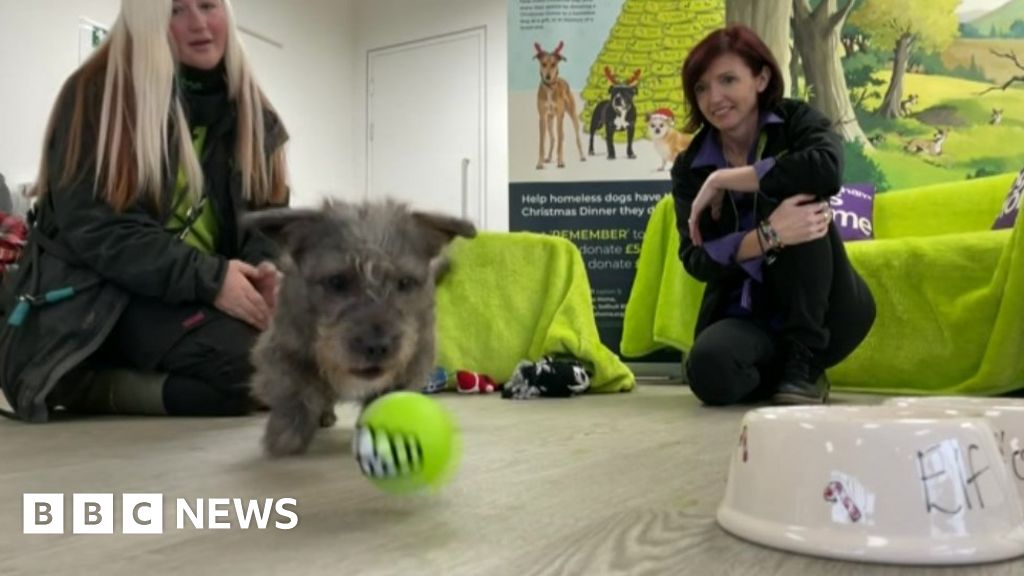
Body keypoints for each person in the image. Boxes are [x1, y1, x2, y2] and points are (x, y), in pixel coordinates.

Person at [0, 0, 290, 422]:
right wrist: (212, 280)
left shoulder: (253, 112)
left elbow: (270, 222)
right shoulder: (98, 93)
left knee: (306, 356)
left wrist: (262, 273)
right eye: (175, 11)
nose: (199, 26)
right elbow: (101, 230)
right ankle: (84, 382)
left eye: (208, 6)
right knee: (251, 369)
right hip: (105, 294)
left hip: (192, 290)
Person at [671, 24, 875, 406]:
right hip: (747, 316)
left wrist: (729, 178)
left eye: (728, 80)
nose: (714, 98)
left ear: (761, 77)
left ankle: (805, 359)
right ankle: (785, 375)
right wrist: (766, 237)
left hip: (829, 312)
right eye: (701, 87)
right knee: (707, 370)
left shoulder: (796, 121)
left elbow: (825, 170)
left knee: (799, 197)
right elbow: (696, 258)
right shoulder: (689, 167)